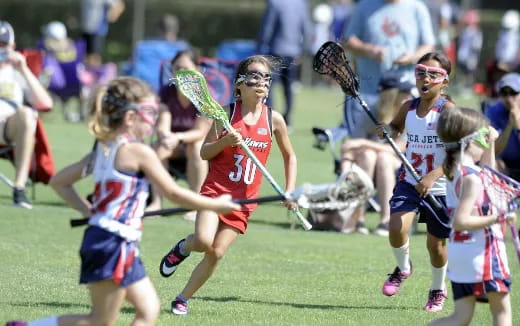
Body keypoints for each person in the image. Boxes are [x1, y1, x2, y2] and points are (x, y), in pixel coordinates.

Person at [5, 76, 239, 326]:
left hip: (116, 241)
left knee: (148, 311)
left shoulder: (104, 148)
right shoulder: (138, 152)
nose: (154, 120)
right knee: (100, 320)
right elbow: (173, 193)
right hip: (111, 244)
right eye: (149, 113)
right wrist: (216, 205)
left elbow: (59, 182)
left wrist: (89, 212)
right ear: (130, 118)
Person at [158, 55, 299, 316]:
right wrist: (225, 141)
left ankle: (182, 298)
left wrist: (288, 190)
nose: (262, 83)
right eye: (254, 76)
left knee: (217, 252)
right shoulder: (225, 114)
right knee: (202, 240)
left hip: (244, 200)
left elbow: (290, 156)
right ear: (239, 86)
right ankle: (182, 248)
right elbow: (204, 152)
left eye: (266, 78)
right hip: (215, 193)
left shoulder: (274, 119)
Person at [377, 52, 456, 312]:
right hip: (409, 180)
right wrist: (388, 130)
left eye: (434, 74)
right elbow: (396, 126)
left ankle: (437, 288)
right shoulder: (409, 106)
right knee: (397, 227)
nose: (426, 78)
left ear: (444, 81)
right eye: (421, 72)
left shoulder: (447, 111)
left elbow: (457, 154)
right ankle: (403, 268)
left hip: (441, 187)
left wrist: (433, 176)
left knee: (436, 246)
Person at [429, 107, 514, 326]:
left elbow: (490, 175)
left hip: (461, 255)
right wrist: (498, 218)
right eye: (483, 141)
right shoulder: (471, 178)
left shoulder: (459, 171)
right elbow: (460, 221)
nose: (485, 144)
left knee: (461, 318)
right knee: (501, 313)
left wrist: (491, 143)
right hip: (482, 251)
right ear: (469, 142)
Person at [339, 0, 435, 142]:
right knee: (360, 148)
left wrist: (412, 57)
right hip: (368, 92)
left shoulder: (417, 8)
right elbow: (348, 40)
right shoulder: (364, 6)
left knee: (397, 149)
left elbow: (428, 45)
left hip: (403, 94)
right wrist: (370, 50)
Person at [147, 50, 212, 220]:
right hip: (173, 147)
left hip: (199, 149)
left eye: (186, 68)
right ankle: (156, 202)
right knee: (158, 148)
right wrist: (165, 135)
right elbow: (163, 121)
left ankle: (196, 205)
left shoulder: (204, 95)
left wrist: (178, 138)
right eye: (177, 68)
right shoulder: (166, 92)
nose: (181, 73)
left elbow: (200, 132)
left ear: (197, 69)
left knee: (196, 146)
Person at [0, 20, 54, 209]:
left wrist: (23, 69)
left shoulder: (18, 72)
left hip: (6, 127)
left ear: (12, 47)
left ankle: (19, 188)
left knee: (27, 114)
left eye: (3, 44)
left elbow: (46, 104)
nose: (0, 48)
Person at [257, 0, 312, 128]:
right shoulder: (301, 4)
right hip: (293, 52)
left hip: (276, 50)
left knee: (269, 86)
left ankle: (269, 117)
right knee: (289, 87)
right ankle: (287, 120)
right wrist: (303, 51)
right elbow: (306, 28)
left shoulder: (275, 3)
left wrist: (259, 48)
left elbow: (268, 27)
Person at [484, 73, 520, 181]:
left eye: (513, 93)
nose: (509, 98)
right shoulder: (493, 112)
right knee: (495, 163)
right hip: (505, 165)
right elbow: (494, 151)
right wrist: (510, 126)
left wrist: (518, 126)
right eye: (504, 93)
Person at [80, 0, 125, 67]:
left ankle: (96, 75)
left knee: (94, 56)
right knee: (86, 56)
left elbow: (119, 4)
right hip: (86, 29)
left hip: (97, 30)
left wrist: (112, 15)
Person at [456, 9, 482, 92]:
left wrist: (473, 56)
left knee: (470, 73)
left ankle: (469, 88)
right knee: (464, 72)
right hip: (463, 55)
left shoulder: (476, 32)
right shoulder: (464, 31)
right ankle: (463, 87)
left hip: (471, 56)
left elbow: (476, 46)